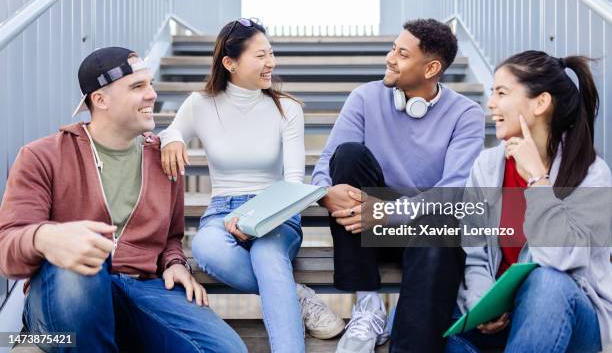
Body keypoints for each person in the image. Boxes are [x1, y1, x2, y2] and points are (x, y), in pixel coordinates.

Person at [0, 47, 246, 352]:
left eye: (152, 84)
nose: (152, 95)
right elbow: (6, 250)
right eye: (138, 86)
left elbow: (171, 237)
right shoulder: (42, 156)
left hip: (143, 287)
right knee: (82, 258)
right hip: (68, 290)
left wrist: (175, 262)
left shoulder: (164, 158)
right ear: (100, 100)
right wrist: (45, 237)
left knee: (226, 349)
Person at [159, 18, 344, 353]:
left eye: (270, 53)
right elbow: (171, 130)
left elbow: (292, 183)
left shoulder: (287, 109)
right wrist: (171, 139)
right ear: (230, 63)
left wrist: (255, 220)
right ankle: (296, 295)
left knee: (268, 255)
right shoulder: (200, 104)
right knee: (205, 248)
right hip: (221, 212)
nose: (270, 62)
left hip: (276, 212)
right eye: (260, 56)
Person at [311, 18, 485, 352]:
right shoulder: (365, 98)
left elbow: (453, 191)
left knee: (442, 226)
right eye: (393, 48)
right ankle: (367, 305)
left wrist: (389, 213)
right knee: (348, 156)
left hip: (421, 231)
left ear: (431, 67)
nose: (390, 58)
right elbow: (327, 162)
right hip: (365, 229)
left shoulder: (466, 114)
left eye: (402, 54)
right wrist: (324, 193)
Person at [448, 51, 612, 353]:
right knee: (417, 319)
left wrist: (537, 180)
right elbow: (475, 254)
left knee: (547, 282)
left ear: (541, 103)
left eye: (501, 93)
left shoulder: (592, 174)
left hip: (569, 317)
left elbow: (562, 260)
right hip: (502, 321)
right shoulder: (486, 166)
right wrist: (483, 303)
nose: (490, 103)